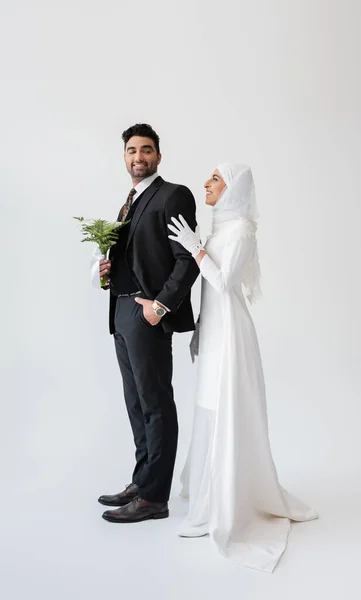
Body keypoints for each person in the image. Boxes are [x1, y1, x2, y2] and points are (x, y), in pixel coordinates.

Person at [167, 163, 318, 572]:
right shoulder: (221, 229)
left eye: (215, 179)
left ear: (232, 188)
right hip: (214, 328)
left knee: (223, 401)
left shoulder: (241, 232)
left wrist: (197, 249)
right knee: (207, 402)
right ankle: (205, 489)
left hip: (232, 333)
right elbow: (208, 293)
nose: (206, 184)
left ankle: (225, 499)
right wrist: (199, 328)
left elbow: (225, 283)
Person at [91, 124, 199, 523]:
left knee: (155, 403)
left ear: (158, 155)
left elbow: (188, 258)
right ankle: (144, 478)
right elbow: (136, 255)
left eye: (147, 150)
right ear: (124, 157)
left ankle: (155, 498)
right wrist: (106, 269)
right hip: (120, 312)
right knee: (136, 403)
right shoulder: (130, 200)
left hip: (146, 314)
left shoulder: (173, 195)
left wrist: (160, 306)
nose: (139, 157)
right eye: (132, 151)